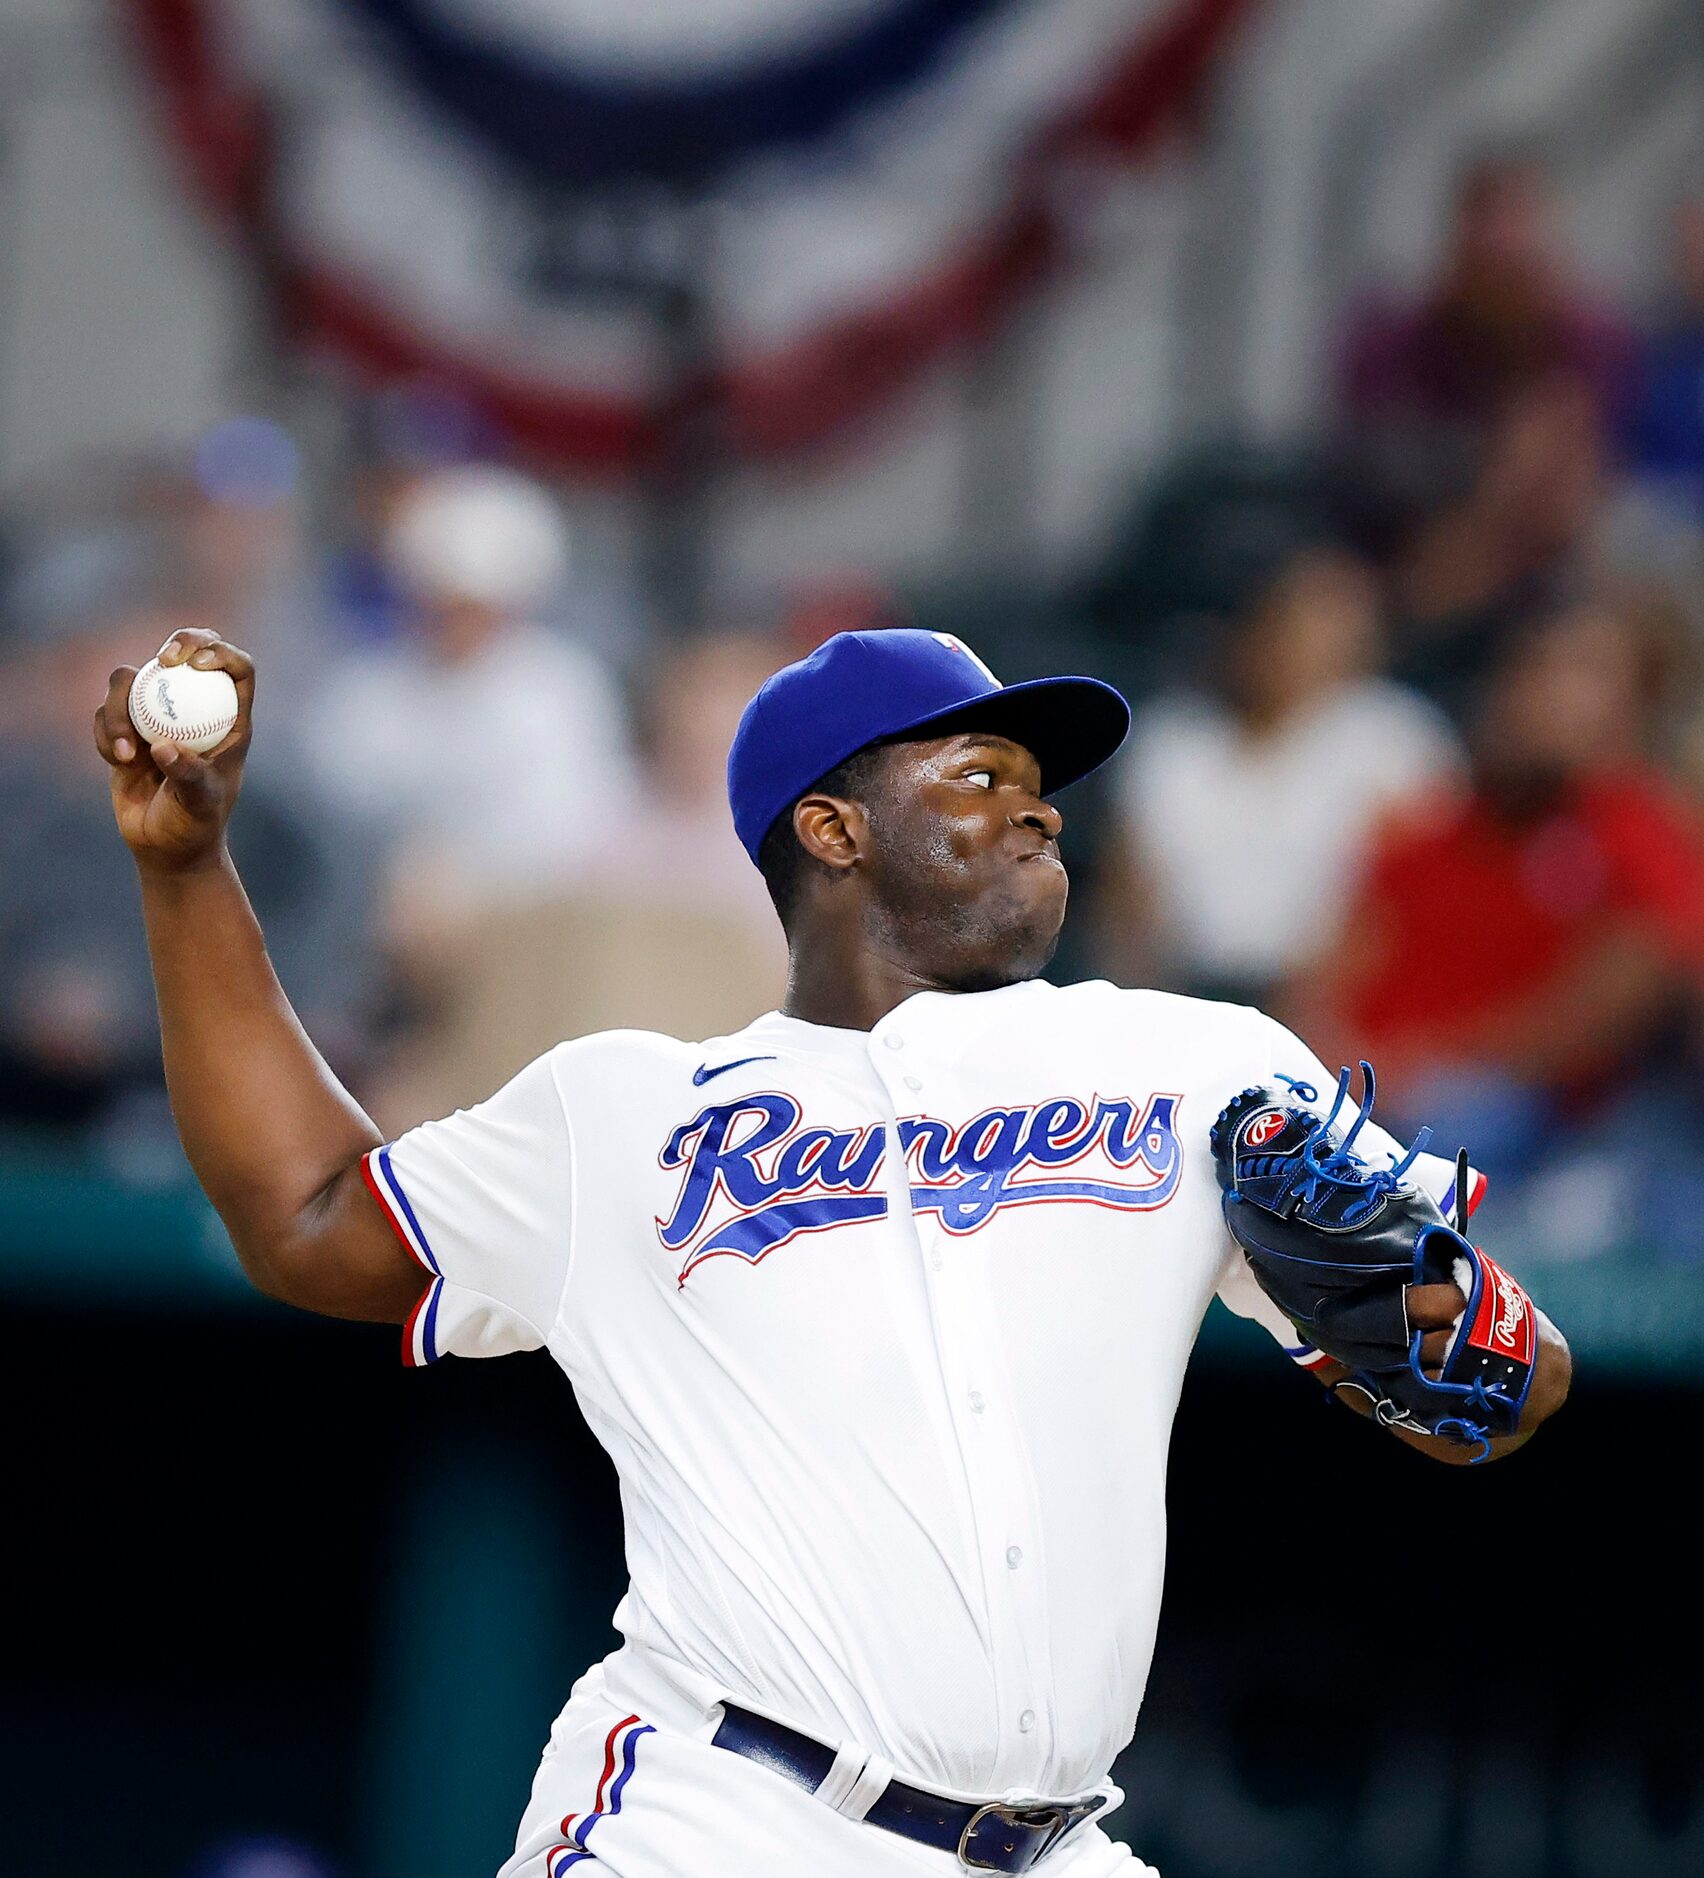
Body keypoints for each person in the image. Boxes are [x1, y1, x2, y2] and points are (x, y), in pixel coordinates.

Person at [94, 625, 1571, 1877]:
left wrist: (1423, 1307)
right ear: (833, 827)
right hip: (720, 1812)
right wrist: (187, 874)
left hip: (1055, 1842)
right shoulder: (627, 1110)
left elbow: (1511, 1387)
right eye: (981, 776)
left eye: (1040, 785)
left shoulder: (1199, 1060)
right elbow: (306, 1219)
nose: (1040, 809)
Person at [1303, 599, 1704, 1169]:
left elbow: (1592, 1021)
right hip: (1365, 1077)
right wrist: (1324, 1050)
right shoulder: (1430, 822)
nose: (1546, 691)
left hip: (1507, 1107)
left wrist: (1413, 1064)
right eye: (1535, 667)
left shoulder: (1646, 834)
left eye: (1584, 672)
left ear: (1636, 704)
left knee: (1464, 1123)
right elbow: (1334, 964)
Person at [1102, 546, 1461, 1005]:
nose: (1300, 646)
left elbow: (1413, 902)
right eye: (1285, 624)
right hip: (1184, 991)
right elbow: (1128, 901)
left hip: (1334, 1002)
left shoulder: (1397, 741)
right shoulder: (1173, 740)